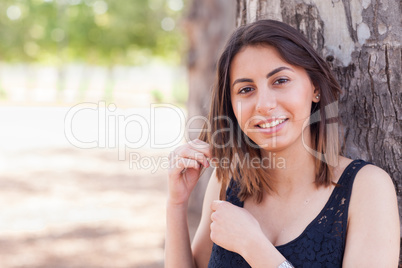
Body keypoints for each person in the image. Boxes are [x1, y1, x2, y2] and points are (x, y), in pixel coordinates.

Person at [165, 19, 400, 267]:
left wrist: (253, 246)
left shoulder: (366, 188)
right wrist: (176, 204)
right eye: (246, 89)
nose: (264, 104)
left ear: (315, 88)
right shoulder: (227, 182)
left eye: (280, 81)